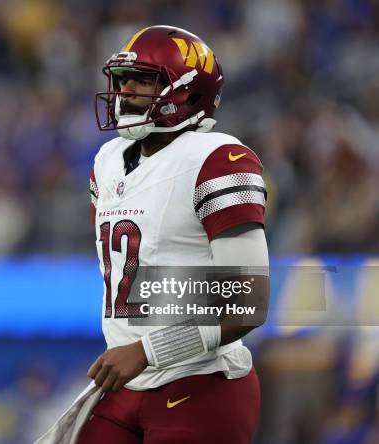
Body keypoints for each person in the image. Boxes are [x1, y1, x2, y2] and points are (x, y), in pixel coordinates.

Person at [36, 25, 269, 444]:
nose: (126, 91)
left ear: (187, 90)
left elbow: (247, 301)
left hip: (200, 383)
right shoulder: (107, 161)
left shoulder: (218, 159)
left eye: (144, 79)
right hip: (126, 385)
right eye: (123, 79)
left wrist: (146, 351)